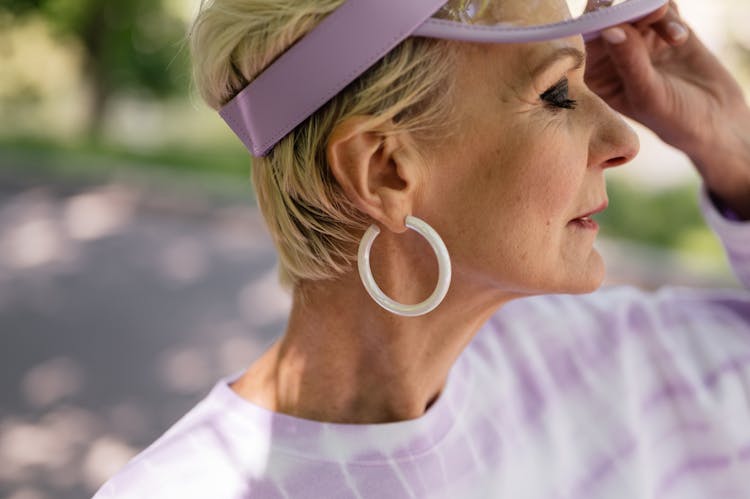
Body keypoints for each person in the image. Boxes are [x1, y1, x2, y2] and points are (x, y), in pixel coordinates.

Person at [93, 0, 750, 497]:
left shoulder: (600, 360)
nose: (625, 136)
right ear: (385, 171)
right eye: (556, 93)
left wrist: (735, 148)